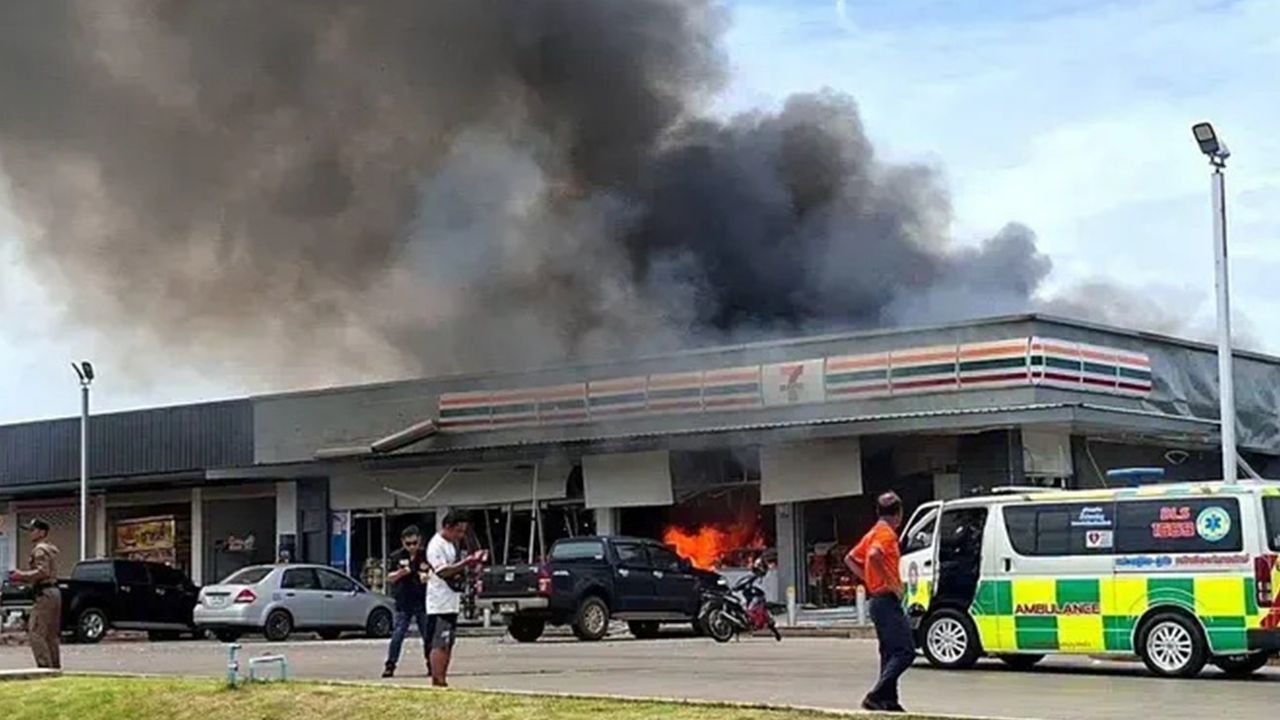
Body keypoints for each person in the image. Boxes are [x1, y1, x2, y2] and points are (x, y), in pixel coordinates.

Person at [845, 492, 912, 713]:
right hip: (886, 599)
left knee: (889, 652)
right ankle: (876, 695)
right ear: (899, 513)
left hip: (876, 600)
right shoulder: (886, 534)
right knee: (905, 651)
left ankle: (889, 700)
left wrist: (868, 578)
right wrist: (891, 583)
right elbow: (874, 555)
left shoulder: (873, 532)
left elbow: (850, 559)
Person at [424, 511, 486, 687]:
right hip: (439, 602)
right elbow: (443, 571)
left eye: (463, 531)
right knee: (440, 642)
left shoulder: (453, 545)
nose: (460, 535)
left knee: (449, 642)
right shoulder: (436, 545)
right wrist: (466, 562)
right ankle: (437, 679)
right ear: (447, 527)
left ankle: (443, 677)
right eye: (458, 531)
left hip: (452, 600)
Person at [7, 519, 61, 669]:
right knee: (50, 635)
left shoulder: (40, 550)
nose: (30, 533)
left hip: (45, 593)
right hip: (53, 591)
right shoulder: (49, 549)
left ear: (42, 532)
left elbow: (43, 572)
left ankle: (44, 667)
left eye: (33, 530)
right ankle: (54, 668)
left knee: (36, 632)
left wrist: (21, 575)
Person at [382, 525, 432, 678]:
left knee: (427, 635)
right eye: (408, 544)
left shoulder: (426, 555)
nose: (412, 547)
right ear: (403, 542)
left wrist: (427, 577)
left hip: (422, 600)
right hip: (404, 601)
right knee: (398, 634)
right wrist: (401, 573)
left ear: (419, 541)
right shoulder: (397, 556)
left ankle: (431, 664)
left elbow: (433, 572)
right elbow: (389, 577)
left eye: (414, 543)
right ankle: (390, 664)